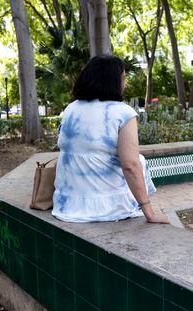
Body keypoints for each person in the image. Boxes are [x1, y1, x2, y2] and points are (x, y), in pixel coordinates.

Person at [52, 55, 169, 224]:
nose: (125, 82)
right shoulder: (123, 113)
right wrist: (149, 213)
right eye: (123, 77)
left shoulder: (71, 109)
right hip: (105, 208)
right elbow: (130, 166)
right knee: (139, 161)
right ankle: (140, 206)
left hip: (66, 204)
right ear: (113, 81)